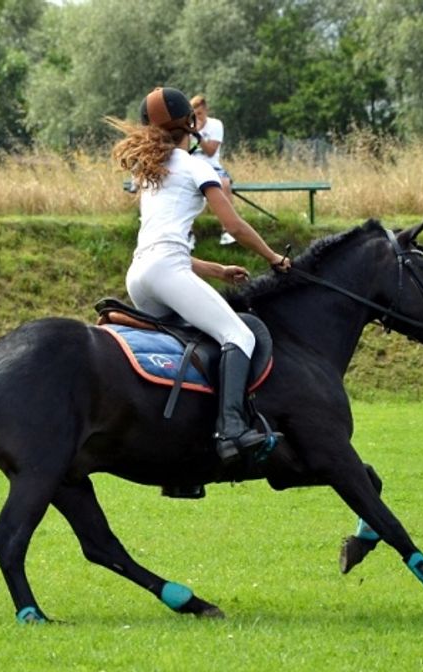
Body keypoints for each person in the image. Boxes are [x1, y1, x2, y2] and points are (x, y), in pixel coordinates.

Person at [107, 87, 290, 464]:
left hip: (139, 276)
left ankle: (181, 447)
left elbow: (162, 246)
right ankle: (231, 430)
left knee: (190, 347)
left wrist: (216, 270)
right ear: (189, 123)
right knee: (238, 336)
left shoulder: (150, 171)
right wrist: (273, 257)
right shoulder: (196, 166)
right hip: (167, 271)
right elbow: (233, 226)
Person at [189, 94, 236, 246]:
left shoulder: (215, 125)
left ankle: (227, 231)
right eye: (194, 114)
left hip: (212, 166)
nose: (197, 117)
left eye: (200, 114)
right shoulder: (186, 127)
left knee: (224, 183)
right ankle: (188, 233)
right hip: (191, 166)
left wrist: (197, 135)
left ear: (206, 110)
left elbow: (210, 151)